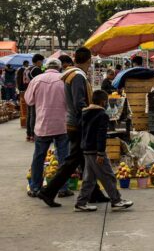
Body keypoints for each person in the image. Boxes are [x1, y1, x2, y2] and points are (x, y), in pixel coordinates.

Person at [37, 47, 109, 208]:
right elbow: (79, 103)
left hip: (75, 122)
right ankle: (48, 191)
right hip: (78, 124)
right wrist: (91, 116)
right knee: (73, 161)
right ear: (89, 60)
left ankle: (93, 193)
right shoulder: (77, 76)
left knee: (85, 161)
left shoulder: (72, 74)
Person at [74, 90, 133, 212]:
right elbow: (100, 135)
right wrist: (101, 153)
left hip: (86, 149)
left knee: (89, 178)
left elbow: (80, 130)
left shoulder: (84, 113)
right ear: (103, 101)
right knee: (108, 176)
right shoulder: (102, 115)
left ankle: (81, 202)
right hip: (96, 151)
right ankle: (116, 200)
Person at [25, 59, 71, 198]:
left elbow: (29, 100)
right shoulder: (64, 80)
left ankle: (35, 188)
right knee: (63, 158)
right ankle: (63, 189)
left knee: (39, 157)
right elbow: (70, 102)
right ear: (59, 67)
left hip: (42, 124)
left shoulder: (37, 80)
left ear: (46, 67)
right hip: (61, 124)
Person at [24, 54, 45, 142]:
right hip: (35, 93)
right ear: (38, 61)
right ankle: (33, 134)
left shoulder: (28, 69)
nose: (42, 63)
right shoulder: (36, 69)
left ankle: (29, 134)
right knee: (34, 114)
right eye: (42, 61)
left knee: (29, 115)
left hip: (28, 92)